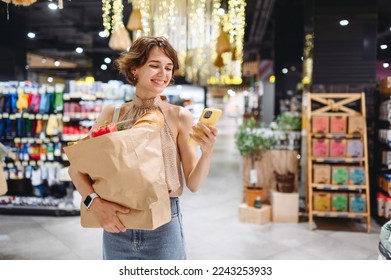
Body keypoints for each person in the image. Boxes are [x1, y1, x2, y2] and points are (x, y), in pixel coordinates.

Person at [68, 36, 218, 260]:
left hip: (165, 223)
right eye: (154, 65)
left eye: (168, 68)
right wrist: (94, 203)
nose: (163, 74)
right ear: (134, 68)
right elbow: (76, 169)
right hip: (117, 223)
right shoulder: (112, 114)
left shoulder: (179, 117)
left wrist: (206, 153)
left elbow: (194, 184)